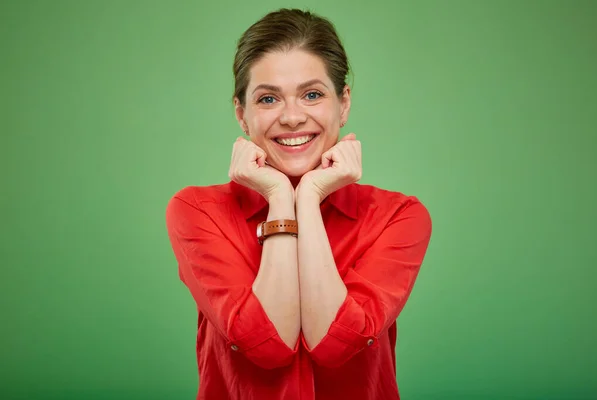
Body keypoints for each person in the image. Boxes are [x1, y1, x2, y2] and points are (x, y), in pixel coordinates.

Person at [165, 8, 432, 400]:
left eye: (312, 94)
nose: (291, 117)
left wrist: (306, 197)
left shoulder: (399, 217)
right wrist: (278, 196)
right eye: (269, 98)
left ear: (343, 104)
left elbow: (334, 345)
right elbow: (268, 345)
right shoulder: (197, 211)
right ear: (242, 114)